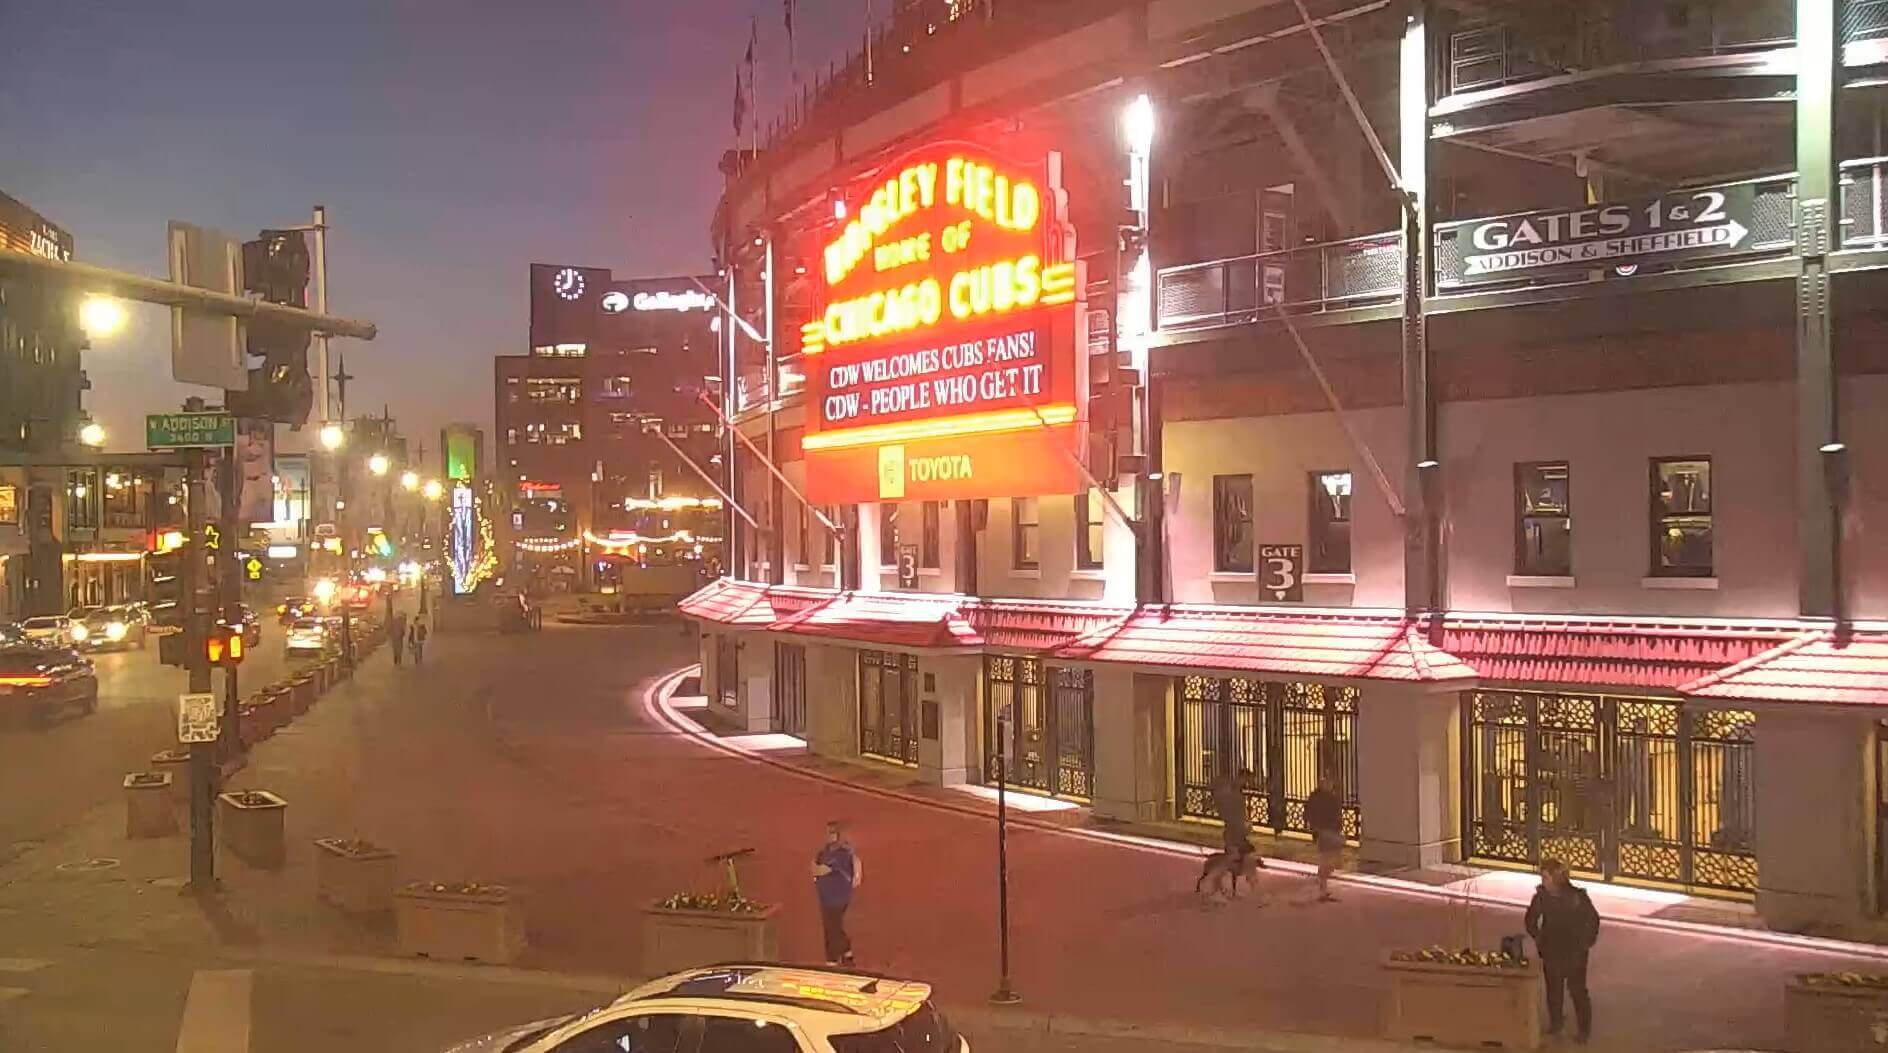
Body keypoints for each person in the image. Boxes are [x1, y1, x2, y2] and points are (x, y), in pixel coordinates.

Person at [1525, 858, 1599, 1042]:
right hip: (1552, 948)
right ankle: (1556, 1022)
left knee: (1577, 990)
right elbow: (1530, 920)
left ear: (1556, 877)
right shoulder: (1542, 897)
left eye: (1546, 877)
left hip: (1575, 950)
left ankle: (1584, 1030)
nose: (1543, 881)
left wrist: (1586, 941)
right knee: (1554, 989)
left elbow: (1593, 919)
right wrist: (1539, 938)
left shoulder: (1577, 897)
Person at [812, 820, 861, 966]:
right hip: (826, 896)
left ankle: (832, 960)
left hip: (838, 897)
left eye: (832, 833)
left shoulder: (841, 854)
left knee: (832, 926)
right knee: (833, 926)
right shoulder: (826, 851)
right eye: (828, 832)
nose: (828, 836)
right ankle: (846, 953)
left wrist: (817, 868)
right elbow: (814, 866)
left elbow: (819, 869)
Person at [1304, 776, 1344, 902]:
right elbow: (1309, 813)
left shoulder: (1328, 797)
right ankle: (1322, 887)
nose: (1330, 785)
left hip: (1329, 831)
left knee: (1328, 860)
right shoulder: (1319, 797)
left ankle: (1322, 884)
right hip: (1324, 831)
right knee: (1326, 859)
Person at [1214, 768, 1253, 865]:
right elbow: (1226, 808)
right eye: (1246, 780)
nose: (1246, 783)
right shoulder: (1231, 792)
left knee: (1238, 856)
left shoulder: (1237, 792)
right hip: (1233, 829)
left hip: (1236, 829)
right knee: (1234, 856)